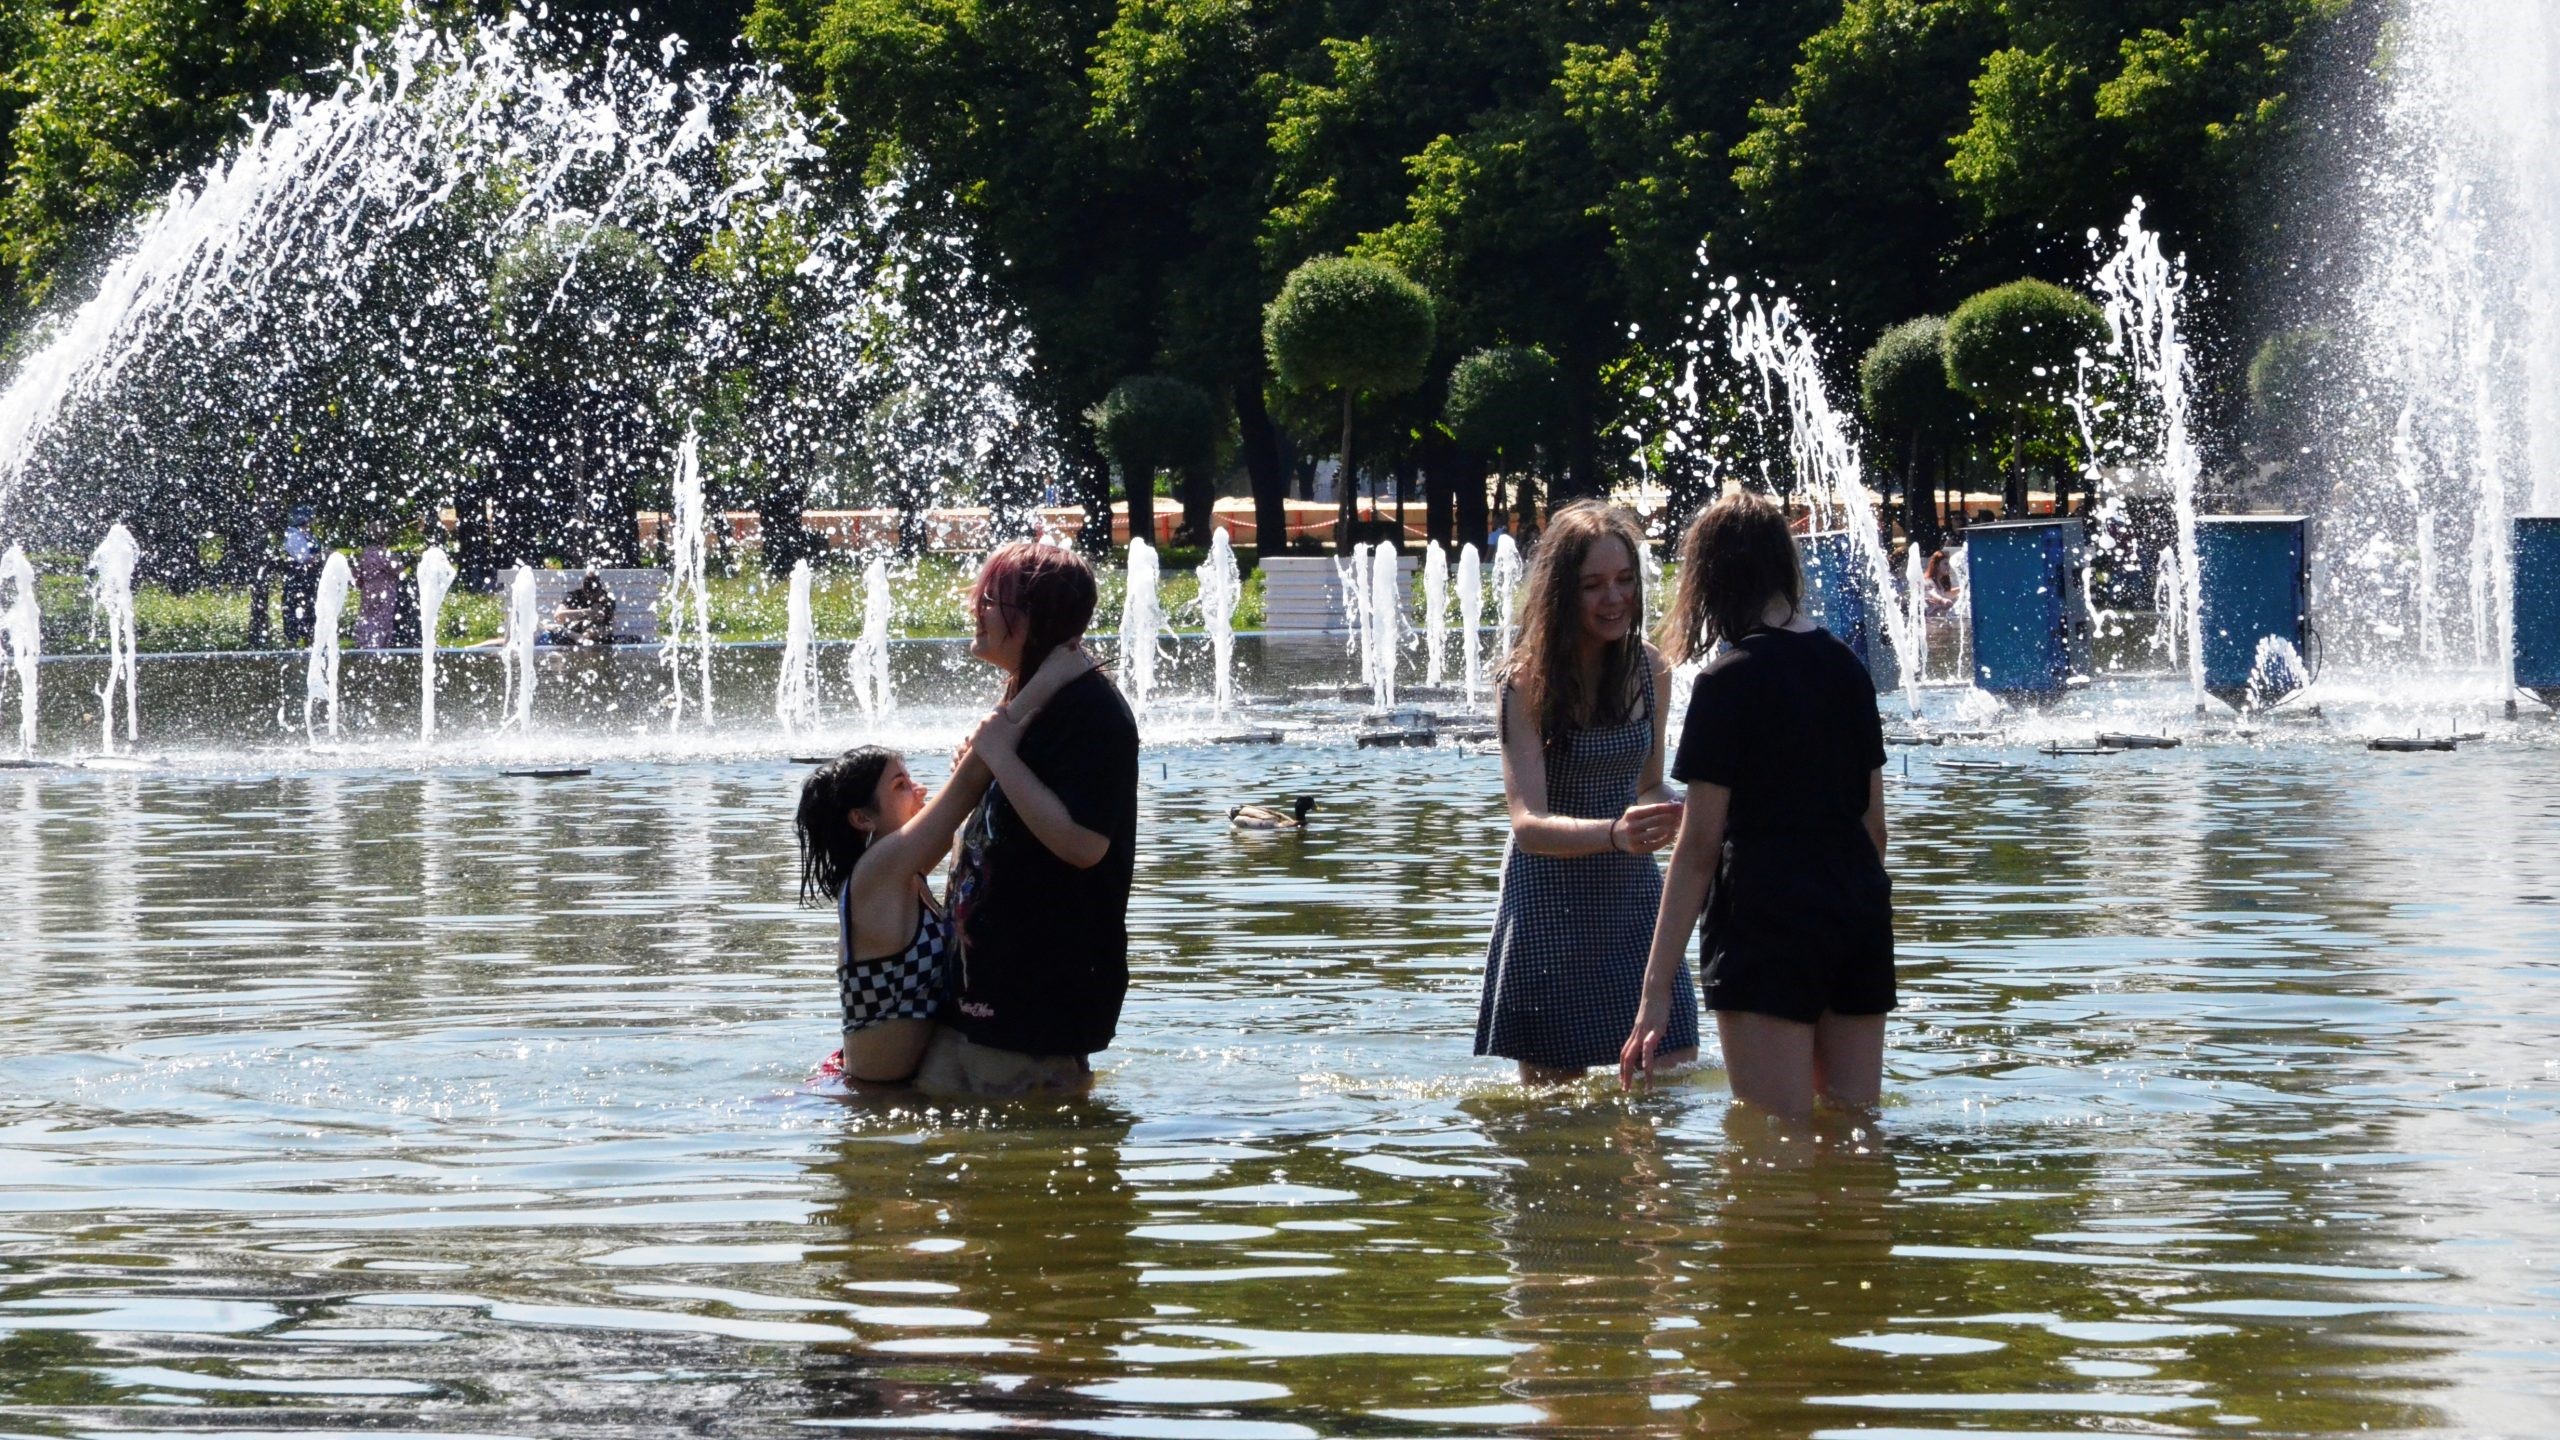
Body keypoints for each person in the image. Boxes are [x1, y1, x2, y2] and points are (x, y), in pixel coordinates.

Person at [1621, 492, 1893, 1120]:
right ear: (1783, 569)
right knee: (1855, 1129)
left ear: (1711, 580)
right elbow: (1873, 826)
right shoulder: (1847, 667)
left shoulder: (1728, 681)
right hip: (1856, 916)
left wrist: (1656, 991)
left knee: (1773, 1139)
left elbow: (1697, 848)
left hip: (1764, 922)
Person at [796, 646, 1097, 1086]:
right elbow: (965, 789)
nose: (918, 789)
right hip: (873, 1093)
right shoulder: (880, 867)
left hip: (889, 1079)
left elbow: (970, 799)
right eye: (901, 785)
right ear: (862, 818)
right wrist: (1048, 678)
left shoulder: (901, 871)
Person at [1476, 500, 1698, 1084]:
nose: (1614, 598)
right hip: (1548, 903)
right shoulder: (1523, 683)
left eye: (1625, 581)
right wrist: (1615, 833)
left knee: (1668, 1076)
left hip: (1633, 902)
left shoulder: (1652, 669)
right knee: (1551, 1120)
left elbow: (1649, 781)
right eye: (1593, 585)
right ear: (1560, 593)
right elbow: (1527, 822)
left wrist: (1673, 810)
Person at [920, 541, 1140, 1096]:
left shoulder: (1090, 712)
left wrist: (999, 755)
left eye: (992, 599)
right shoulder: (1033, 699)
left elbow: (1084, 844)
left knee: (1020, 1164)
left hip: (1035, 1002)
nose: (977, 608)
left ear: (1035, 618)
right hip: (983, 994)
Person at [544, 565, 617, 646]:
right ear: (583, 589)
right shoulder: (573, 596)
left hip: (596, 637)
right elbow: (558, 617)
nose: (592, 598)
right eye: (589, 595)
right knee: (554, 631)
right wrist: (588, 612)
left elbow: (611, 626)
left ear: (600, 589)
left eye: (595, 594)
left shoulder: (607, 598)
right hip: (572, 636)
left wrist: (592, 633)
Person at [1922, 549, 1959, 616]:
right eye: (1945, 564)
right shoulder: (1928, 581)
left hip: (1938, 620)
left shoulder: (1939, 583)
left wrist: (1961, 589)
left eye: (1948, 564)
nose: (1948, 567)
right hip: (1930, 621)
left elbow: (1947, 594)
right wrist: (1942, 600)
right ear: (1936, 566)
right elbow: (1932, 593)